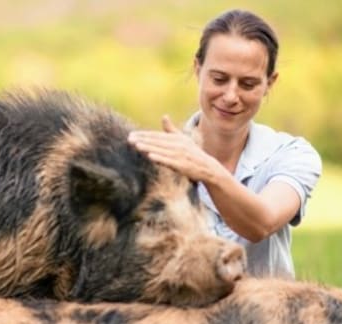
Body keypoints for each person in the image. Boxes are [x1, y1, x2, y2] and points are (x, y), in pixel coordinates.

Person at [128, 9, 321, 280]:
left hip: (269, 317)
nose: (230, 96)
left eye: (248, 84)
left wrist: (205, 169)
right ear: (198, 69)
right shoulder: (158, 159)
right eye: (219, 79)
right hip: (182, 317)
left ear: (269, 83)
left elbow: (261, 223)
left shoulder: (292, 154)